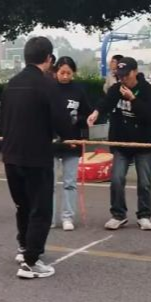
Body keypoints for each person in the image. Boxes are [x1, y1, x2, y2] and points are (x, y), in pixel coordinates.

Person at [0, 36, 74, 280]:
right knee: (40, 208)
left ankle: (24, 248)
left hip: (11, 155)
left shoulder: (11, 84)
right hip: (36, 156)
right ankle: (31, 261)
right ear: (49, 58)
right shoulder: (47, 85)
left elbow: (3, 120)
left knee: (22, 205)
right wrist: (69, 136)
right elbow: (62, 121)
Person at [88, 56, 151, 231]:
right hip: (121, 142)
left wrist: (133, 99)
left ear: (135, 72)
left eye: (126, 75)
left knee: (144, 182)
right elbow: (105, 103)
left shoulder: (147, 90)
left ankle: (144, 215)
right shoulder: (116, 89)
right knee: (117, 179)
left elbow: (150, 112)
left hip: (143, 143)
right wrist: (96, 113)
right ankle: (118, 215)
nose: (123, 78)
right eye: (120, 75)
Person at [50, 56, 92, 232]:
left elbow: (88, 115)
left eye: (69, 73)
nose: (65, 76)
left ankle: (67, 217)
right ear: (56, 72)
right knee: (49, 183)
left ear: (73, 73)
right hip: (51, 143)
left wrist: (78, 120)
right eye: (62, 73)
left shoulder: (78, 90)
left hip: (72, 143)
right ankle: (49, 217)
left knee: (70, 182)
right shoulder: (49, 89)